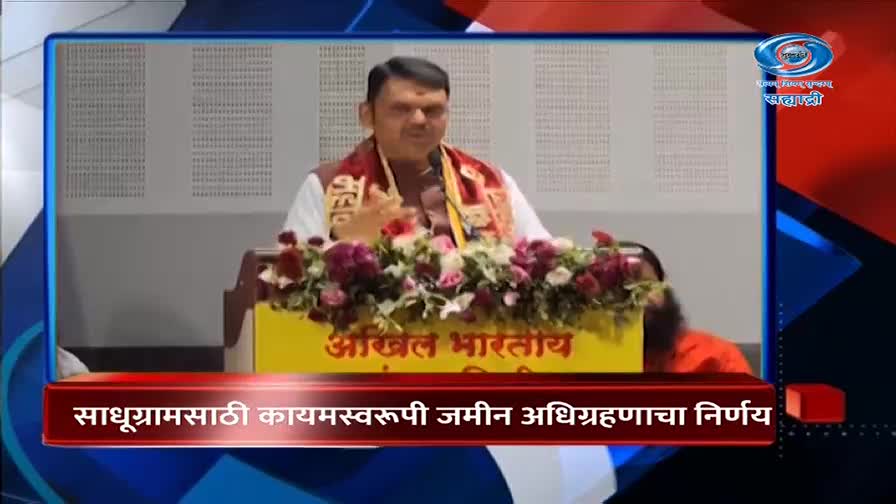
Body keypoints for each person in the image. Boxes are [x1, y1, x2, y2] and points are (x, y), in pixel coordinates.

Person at [284, 56, 550, 245]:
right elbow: (285, 280)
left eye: (433, 110)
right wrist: (343, 241)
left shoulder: (490, 183)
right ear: (367, 115)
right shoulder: (327, 185)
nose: (419, 120)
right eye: (401, 109)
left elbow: (544, 261)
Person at [619, 241, 754, 374]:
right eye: (619, 292)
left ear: (664, 287)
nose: (635, 301)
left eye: (645, 286)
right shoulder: (599, 366)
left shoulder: (717, 357)